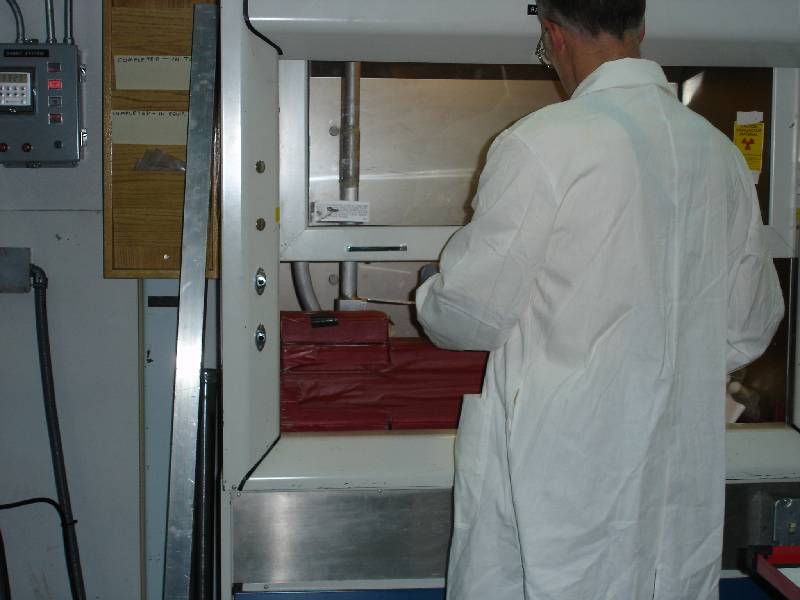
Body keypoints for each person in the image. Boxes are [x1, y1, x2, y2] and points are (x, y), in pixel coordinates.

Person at [414, 1, 784, 598]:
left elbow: (472, 315)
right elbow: (751, 324)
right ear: (641, 29)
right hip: (676, 477)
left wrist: (431, 289)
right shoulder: (719, 154)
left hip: (562, 478)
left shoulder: (542, 143)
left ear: (554, 35)